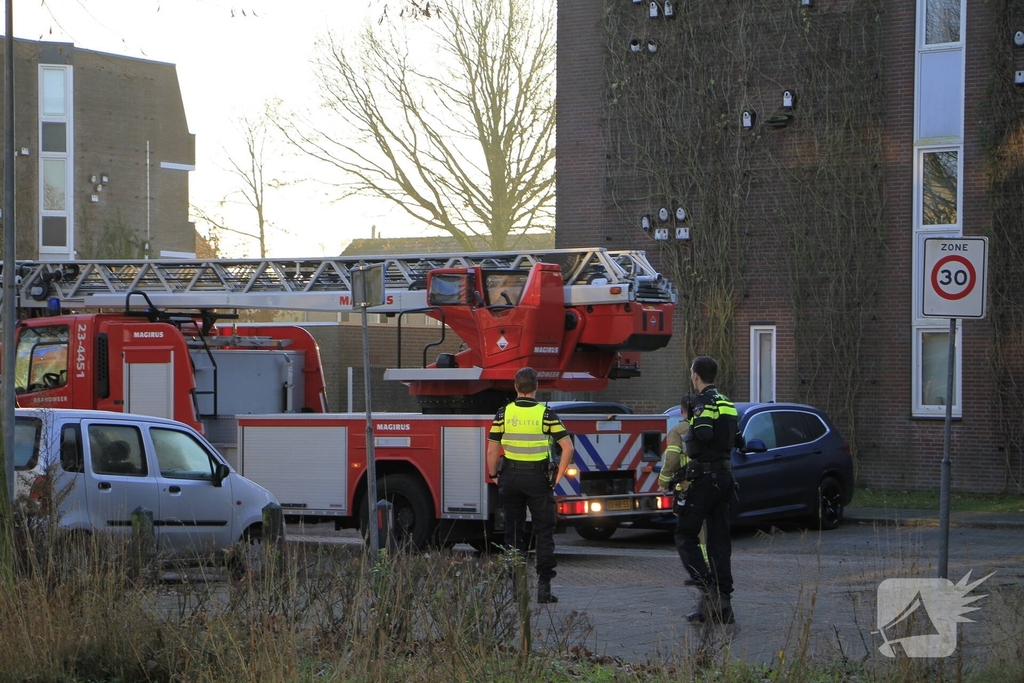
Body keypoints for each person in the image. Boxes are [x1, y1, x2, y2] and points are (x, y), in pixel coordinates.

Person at [486, 367, 574, 603]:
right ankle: (544, 589)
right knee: (544, 531)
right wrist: (558, 477)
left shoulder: (503, 414)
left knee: (513, 533)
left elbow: (492, 450)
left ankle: (517, 589)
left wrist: (494, 475)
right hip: (538, 480)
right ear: (536, 387)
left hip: (510, 478)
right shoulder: (547, 414)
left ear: (515, 386)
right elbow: (568, 447)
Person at [673, 356, 741, 625]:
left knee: (684, 534)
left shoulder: (703, 402)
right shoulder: (727, 403)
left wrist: (693, 419)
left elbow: (704, 434)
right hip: (725, 478)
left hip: (706, 479)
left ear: (696, 375)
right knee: (719, 542)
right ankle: (722, 606)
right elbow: (740, 440)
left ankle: (708, 589)